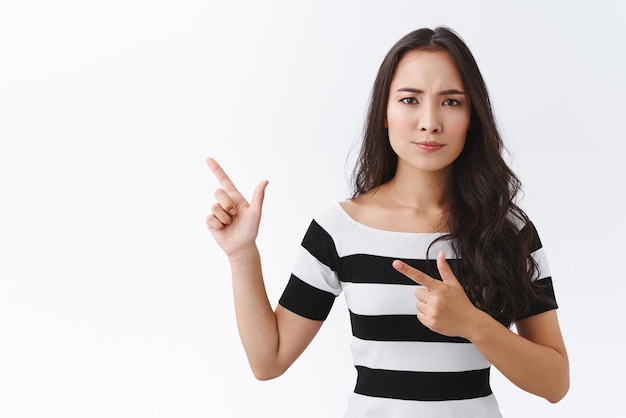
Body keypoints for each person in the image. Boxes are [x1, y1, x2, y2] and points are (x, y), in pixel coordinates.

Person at [206, 26, 569, 417]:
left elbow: (555, 382)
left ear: (473, 116)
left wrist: (473, 324)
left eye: (451, 102)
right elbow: (269, 360)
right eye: (410, 99)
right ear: (384, 112)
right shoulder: (339, 228)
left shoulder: (508, 230)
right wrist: (242, 254)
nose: (429, 122)